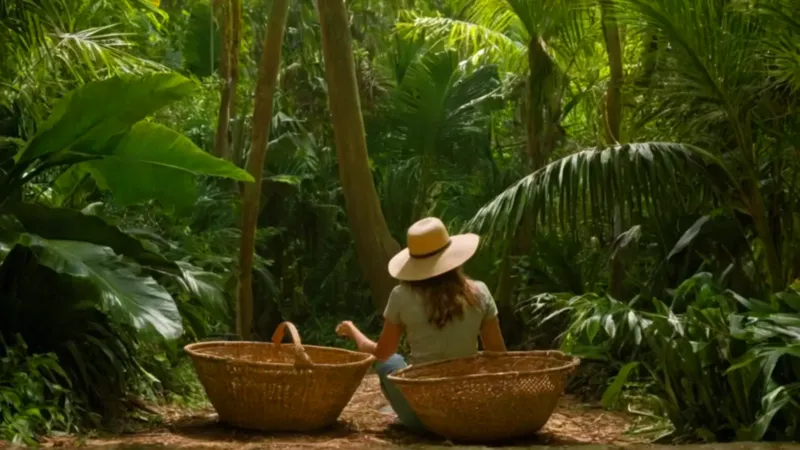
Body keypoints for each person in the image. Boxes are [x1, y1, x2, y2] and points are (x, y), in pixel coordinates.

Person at [336, 217, 507, 432]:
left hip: (422, 417)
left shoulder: (401, 296)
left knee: (391, 361)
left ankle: (401, 409)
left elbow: (381, 353)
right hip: (467, 408)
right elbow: (498, 356)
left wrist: (352, 330)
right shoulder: (480, 292)